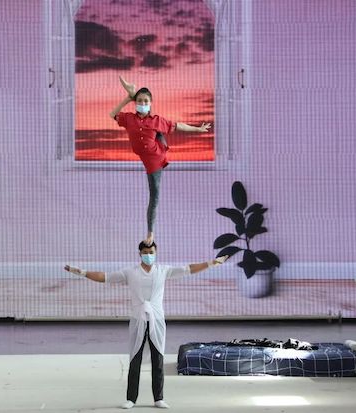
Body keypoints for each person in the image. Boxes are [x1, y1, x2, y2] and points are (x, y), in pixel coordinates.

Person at [65, 242, 227, 409]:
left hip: (157, 320)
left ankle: (158, 398)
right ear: (140, 253)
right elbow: (105, 277)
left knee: (158, 358)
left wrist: (211, 263)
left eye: (151, 252)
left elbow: (188, 269)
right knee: (135, 358)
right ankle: (131, 398)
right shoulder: (131, 272)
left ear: (155, 252)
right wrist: (82, 272)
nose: (148, 255)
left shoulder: (163, 270)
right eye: (145, 252)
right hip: (138, 319)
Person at [109, 77, 212, 246]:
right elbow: (112, 114)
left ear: (151, 103)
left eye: (146, 101)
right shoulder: (129, 119)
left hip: (155, 159)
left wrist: (197, 129)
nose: (143, 103)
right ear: (135, 103)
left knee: (155, 195)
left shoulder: (156, 120)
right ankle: (156, 132)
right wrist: (129, 97)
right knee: (156, 137)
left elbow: (178, 126)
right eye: (139, 100)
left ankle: (150, 232)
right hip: (146, 154)